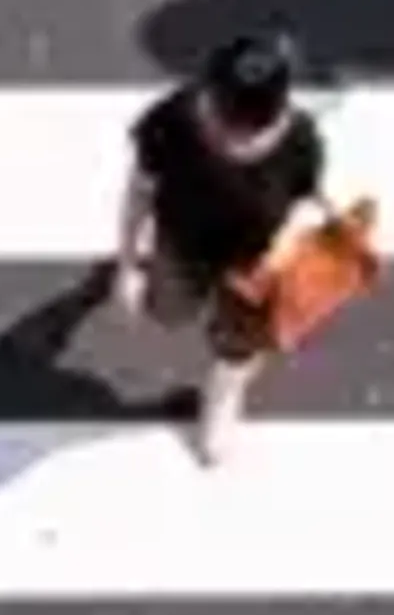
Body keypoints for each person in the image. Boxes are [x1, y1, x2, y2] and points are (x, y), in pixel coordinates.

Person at [114, 35, 335, 466]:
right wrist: (126, 264)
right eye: (220, 122)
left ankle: (222, 398)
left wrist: (317, 236)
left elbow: (304, 196)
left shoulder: (302, 139)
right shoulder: (170, 120)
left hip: (255, 263)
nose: (233, 143)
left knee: (239, 342)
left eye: (250, 132)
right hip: (180, 248)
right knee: (167, 312)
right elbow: (138, 192)